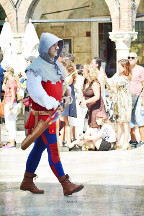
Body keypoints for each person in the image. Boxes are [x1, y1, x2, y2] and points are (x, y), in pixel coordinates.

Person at [20, 33, 84, 196]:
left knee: (39, 148)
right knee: (54, 149)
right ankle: (65, 184)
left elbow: (63, 85)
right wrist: (54, 103)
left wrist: (66, 94)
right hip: (44, 117)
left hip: (53, 115)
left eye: (58, 45)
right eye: (54, 45)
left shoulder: (56, 65)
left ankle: (27, 181)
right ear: (45, 46)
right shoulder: (35, 67)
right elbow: (36, 92)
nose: (57, 48)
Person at [106, 59, 132, 150]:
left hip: (124, 103)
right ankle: (118, 142)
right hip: (119, 102)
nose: (118, 68)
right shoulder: (118, 75)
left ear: (124, 67)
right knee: (119, 122)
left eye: (120, 66)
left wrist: (103, 76)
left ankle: (126, 142)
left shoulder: (124, 78)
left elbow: (112, 83)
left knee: (125, 123)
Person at [80, 64, 106, 128]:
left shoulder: (95, 83)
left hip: (97, 107)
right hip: (90, 107)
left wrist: (86, 101)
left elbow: (97, 97)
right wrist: (80, 97)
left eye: (84, 71)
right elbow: (82, 91)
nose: (83, 72)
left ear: (89, 73)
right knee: (90, 125)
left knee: (94, 126)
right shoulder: (85, 81)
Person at [60, 57, 77, 149]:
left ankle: (68, 141)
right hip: (63, 100)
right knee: (63, 121)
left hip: (67, 100)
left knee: (65, 121)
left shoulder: (69, 77)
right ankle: (63, 140)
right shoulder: (64, 76)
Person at [128, 52, 144, 147]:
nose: (130, 59)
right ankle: (133, 140)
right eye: (129, 57)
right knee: (130, 119)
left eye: (132, 57)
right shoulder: (126, 69)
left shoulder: (141, 69)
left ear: (136, 59)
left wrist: (143, 99)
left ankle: (143, 140)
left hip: (138, 97)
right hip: (129, 98)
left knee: (140, 118)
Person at [2, 67, 18, 148]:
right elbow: (3, 88)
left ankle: (12, 142)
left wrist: (10, 107)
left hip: (10, 104)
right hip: (10, 104)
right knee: (10, 123)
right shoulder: (11, 81)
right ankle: (12, 141)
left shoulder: (11, 82)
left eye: (5, 71)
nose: (3, 73)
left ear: (9, 72)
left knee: (10, 124)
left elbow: (13, 95)